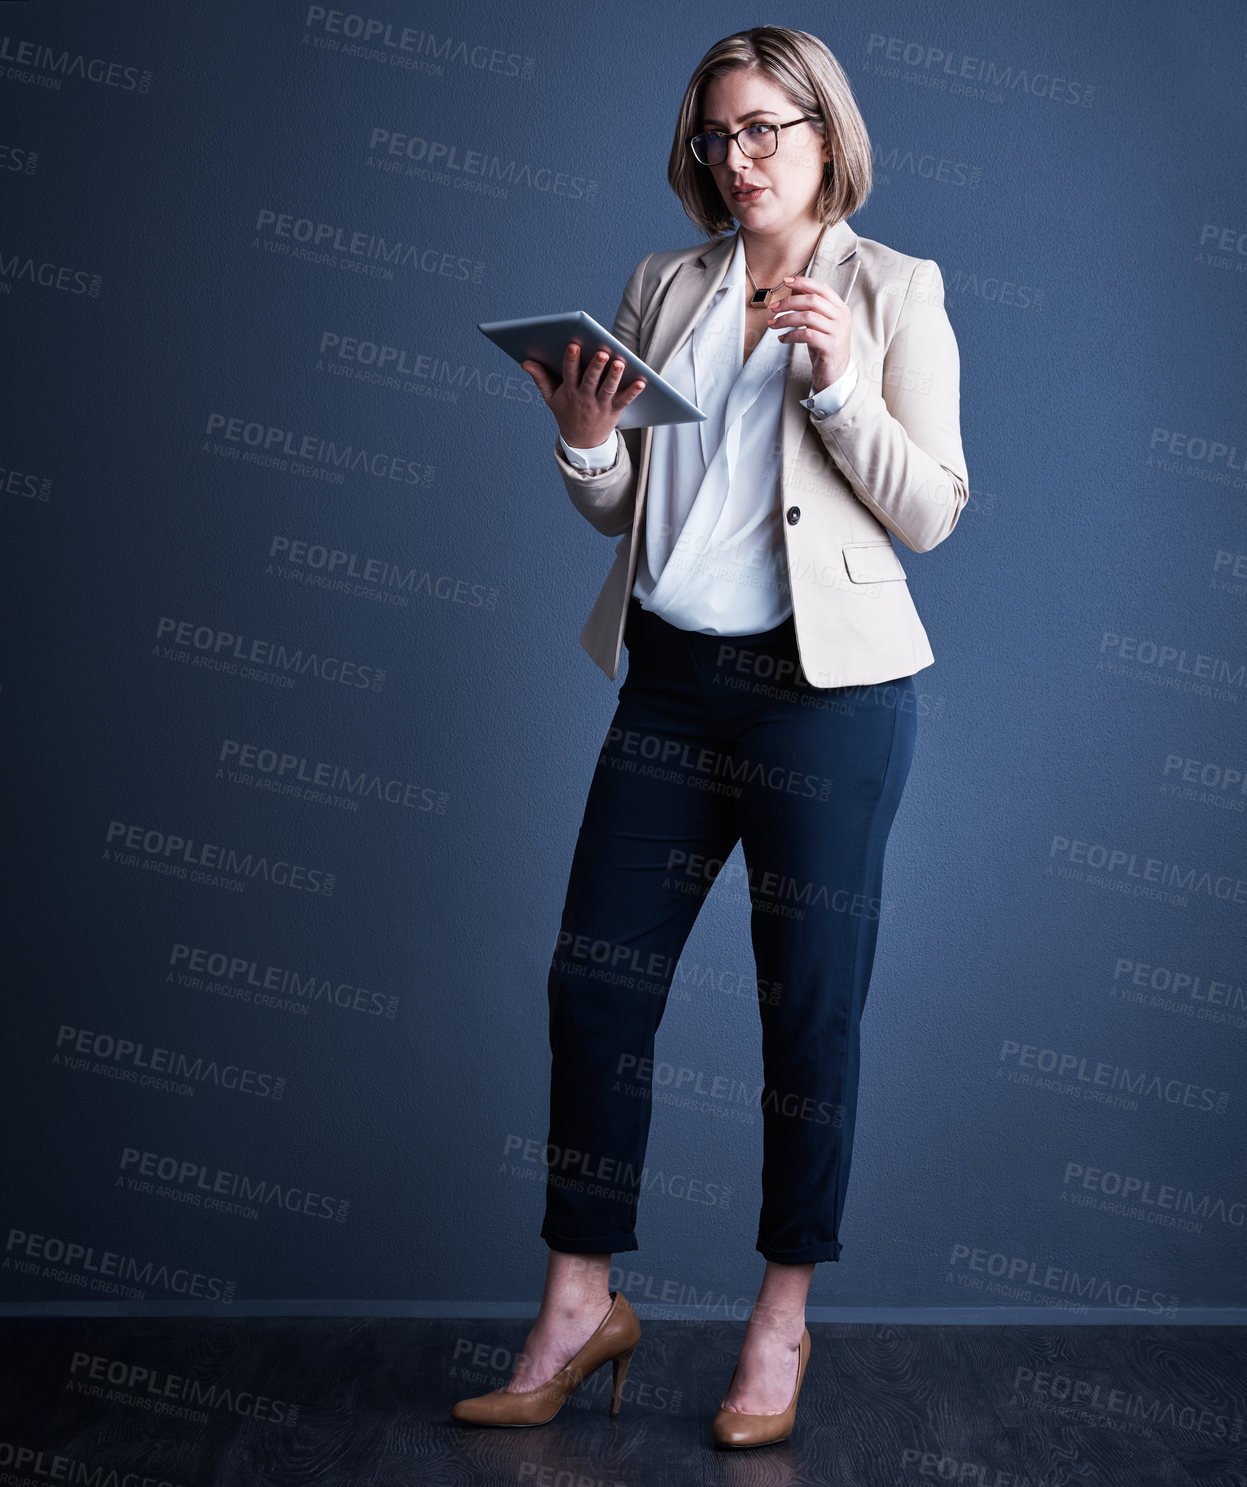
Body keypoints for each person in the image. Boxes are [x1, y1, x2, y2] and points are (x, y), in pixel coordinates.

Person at [451, 24, 968, 1449]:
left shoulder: (896, 288)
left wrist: (843, 385)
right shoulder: (660, 286)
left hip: (830, 699)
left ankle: (780, 1321)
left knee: (806, 1012)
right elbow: (633, 514)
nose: (739, 160)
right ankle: (577, 1306)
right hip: (670, 685)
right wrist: (584, 437)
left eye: (765, 131)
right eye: (719, 136)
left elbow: (931, 509)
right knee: (595, 986)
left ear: (824, 134)